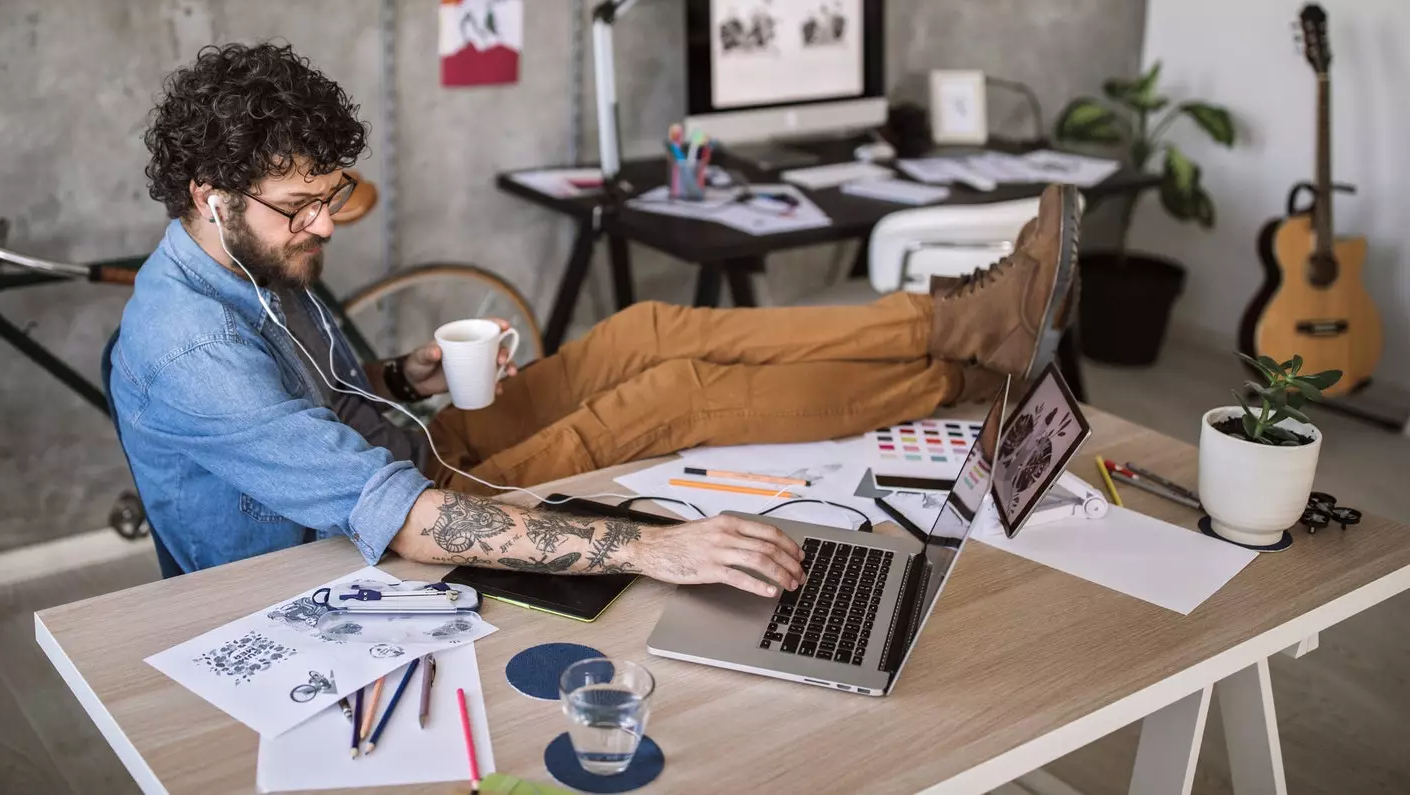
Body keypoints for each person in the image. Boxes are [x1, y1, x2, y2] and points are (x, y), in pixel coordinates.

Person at [111, 43, 1078, 599]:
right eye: (301, 206)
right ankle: (960, 375)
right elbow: (400, 522)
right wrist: (662, 549)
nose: (325, 224)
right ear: (209, 192)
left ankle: (959, 318)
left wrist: (409, 374)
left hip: (412, 443)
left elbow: (320, 399)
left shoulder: (251, 251)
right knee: (675, 395)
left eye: (332, 194)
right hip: (373, 538)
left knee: (646, 328)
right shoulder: (192, 349)